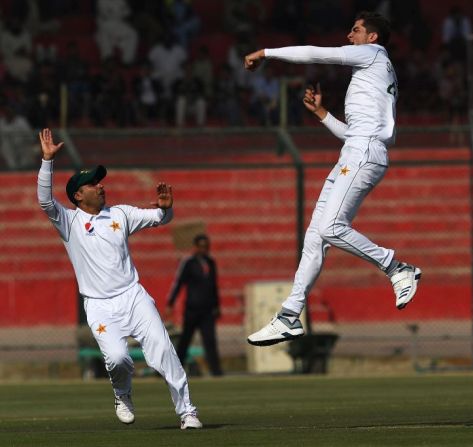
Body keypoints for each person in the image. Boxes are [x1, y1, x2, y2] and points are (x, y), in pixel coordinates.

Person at [243, 11, 422, 346]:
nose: (349, 34)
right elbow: (354, 134)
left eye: (355, 30)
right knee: (315, 235)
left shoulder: (371, 55)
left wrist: (267, 53)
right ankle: (289, 316)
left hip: (364, 154)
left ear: (372, 37)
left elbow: (315, 52)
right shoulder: (370, 71)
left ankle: (397, 268)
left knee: (329, 228)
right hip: (357, 151)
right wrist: (323, 115)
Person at [36, 128, 202, 430]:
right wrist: (47, 162)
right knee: (118, 358)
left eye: (100, 182)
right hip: (99, 306)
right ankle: (122, 394)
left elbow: (160, 219)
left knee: (164, 350)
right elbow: (45, 202)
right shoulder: (69, 221)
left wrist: (167, 210)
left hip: (133, 296)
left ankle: (187, 412)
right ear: (78, 195)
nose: (100, 187)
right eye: (92, 184)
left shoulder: (120, 214)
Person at [166, 234, 223, 376]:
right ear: (196, 247)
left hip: (207, 311)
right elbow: (178, 283)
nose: (204, 249)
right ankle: (175, 369)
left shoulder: (211, 263)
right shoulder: (189, 263)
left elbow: (214, 286)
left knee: (210, 341)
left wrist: (216, 305)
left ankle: (216, 372)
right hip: (192, 309)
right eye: (202, 246)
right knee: (185, 340)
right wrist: (170, 302)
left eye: (206, 246)